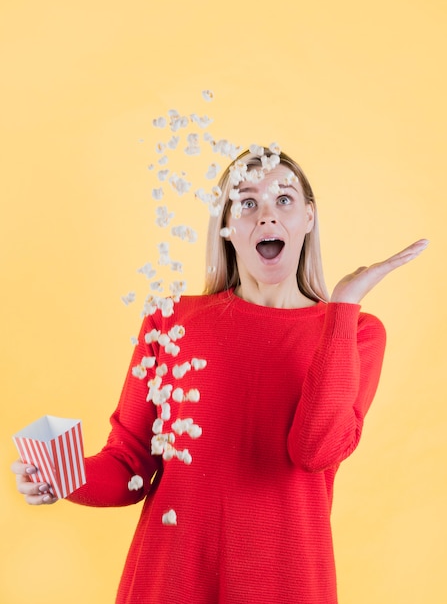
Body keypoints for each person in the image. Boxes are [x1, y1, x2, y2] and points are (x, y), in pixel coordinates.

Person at [11, 147, 428, 603]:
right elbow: (130, 464)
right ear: (227, 226)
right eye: (247, 203)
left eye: (283, 200)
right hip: (170, 581)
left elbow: (313, 451)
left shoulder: (356, 332)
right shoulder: (171, 321)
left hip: (285, 583)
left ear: (309, 217)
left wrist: (343, 306)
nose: (266, 217)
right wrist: (61, 476)